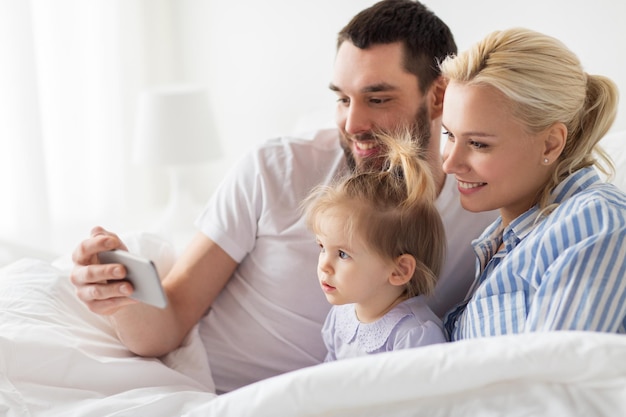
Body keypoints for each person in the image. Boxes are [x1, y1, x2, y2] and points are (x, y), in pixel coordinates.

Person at [70, 0, 497, 393]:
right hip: (208, 392)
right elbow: (171, 321)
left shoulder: (480, 206)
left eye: (377, 98)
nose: (352, 122)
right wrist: (121, 297)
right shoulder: (275, 169)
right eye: (342, 99)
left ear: (439, 93)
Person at [440, 27, 626, 340]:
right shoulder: (499, 237)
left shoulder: (596, 222)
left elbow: (553, 380)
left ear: (551, 144)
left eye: (478, 144)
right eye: (449, 135)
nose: (449, 163)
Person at [303, 131, 447, 361]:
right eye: (322, 247)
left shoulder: (414, 336)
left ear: (399, 270)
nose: (324, 266)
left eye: (342, 254)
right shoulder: (341, 315)